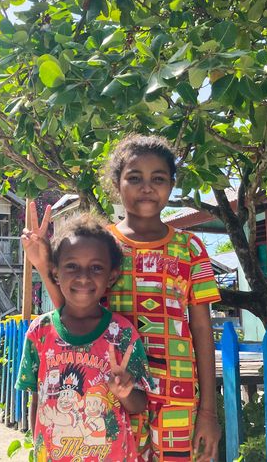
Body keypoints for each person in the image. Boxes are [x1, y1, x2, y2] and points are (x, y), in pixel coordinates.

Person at [22, 134, 223, 461]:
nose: (147, 187)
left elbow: (201, 329)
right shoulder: (102, 246)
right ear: (117, 184)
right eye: (134, 178)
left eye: (158, 178)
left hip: (179, 394)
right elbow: (73, 311)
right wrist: (45, 266)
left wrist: (209, 413)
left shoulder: (190, 249)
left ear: (172, 185)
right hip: (112, 396)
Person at [15, 213, 154, 462]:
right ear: (55, 272)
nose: (83, 276)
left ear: (111, 276)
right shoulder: (39, 332)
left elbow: (140, 403)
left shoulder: (122, 334)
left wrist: (124, 391)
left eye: (96, 267)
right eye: (72, 266)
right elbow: (36, 397)